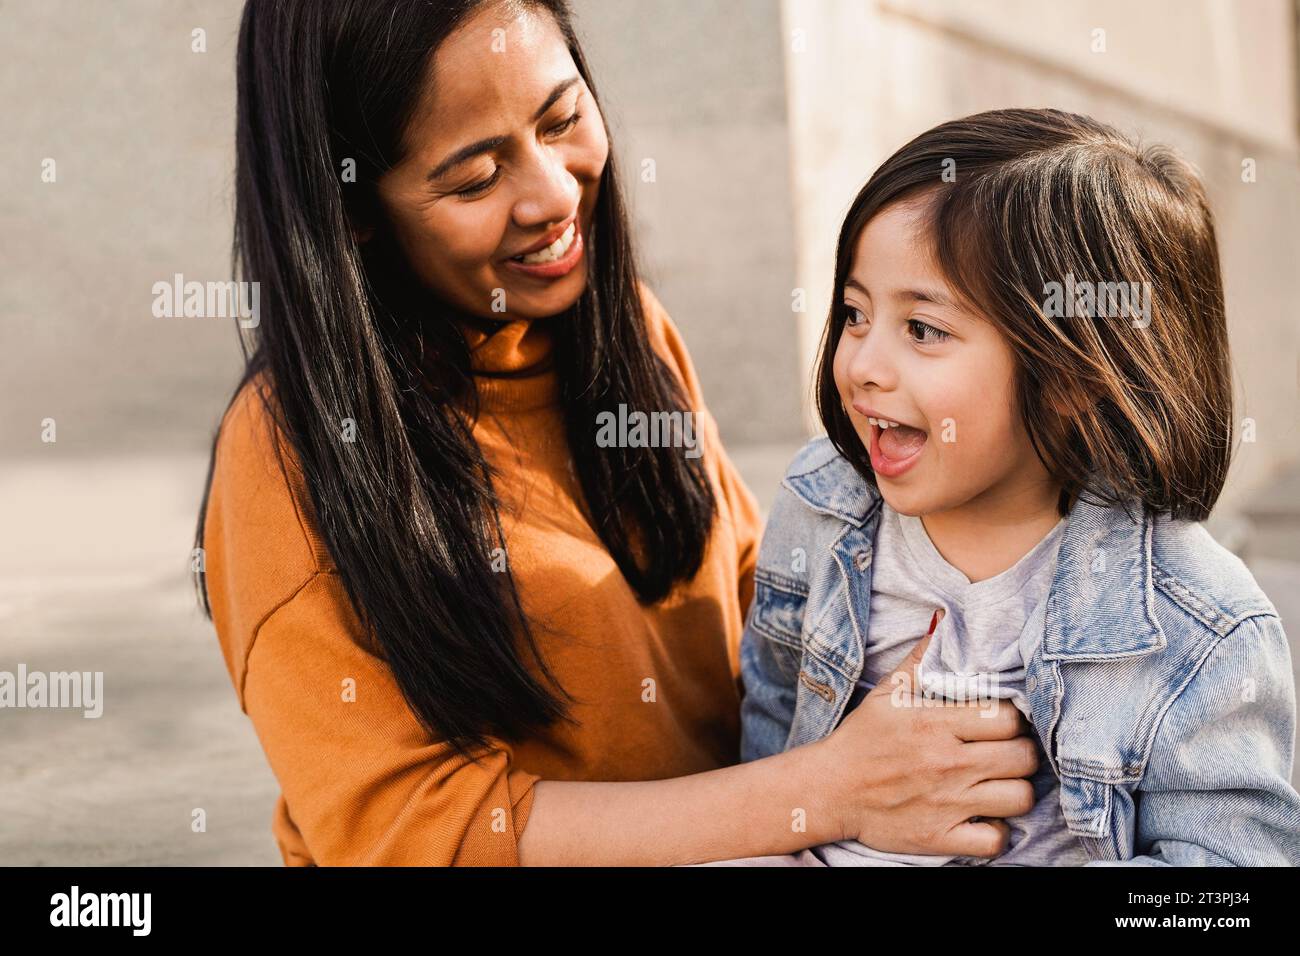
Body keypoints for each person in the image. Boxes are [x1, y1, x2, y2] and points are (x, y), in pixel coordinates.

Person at [196, 0, 1038, 866]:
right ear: (354, 208)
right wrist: (824, 792)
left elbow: (765, 600)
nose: (555, 194)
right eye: (476, 177)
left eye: (561, 119)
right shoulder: (290, 460)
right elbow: (409, 834)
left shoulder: (625, 330)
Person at [731, 108, 1300, 866]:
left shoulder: (1201, 625)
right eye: (856, 313)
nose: (862, 363)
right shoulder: (824, 503)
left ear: (1072, 376)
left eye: (923, 330)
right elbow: (769, 725)